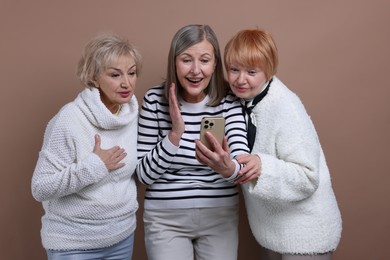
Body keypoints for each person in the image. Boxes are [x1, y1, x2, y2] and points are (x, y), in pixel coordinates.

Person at [222, 28, 343, 259]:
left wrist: (262, 166)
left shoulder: (285, 105)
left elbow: (308, 177)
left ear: (268, 71)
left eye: (251, 71)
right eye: (233, 69)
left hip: (306, 233)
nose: (240, 79)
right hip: (273, 232)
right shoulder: (241, 102)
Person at [135, 24, 249, 260]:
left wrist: (227, 167)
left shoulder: (229, 101)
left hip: (219, 217)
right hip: (165, 220)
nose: (196, 70)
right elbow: (142, 176)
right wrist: (174, 135)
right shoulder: (155, 100)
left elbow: (242, 166)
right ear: (174, 62)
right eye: (186, 60)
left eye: (205, 60)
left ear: (215, 64)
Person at [31, 33, 142, 260]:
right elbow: (40, 187)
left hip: (121, 236)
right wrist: (94, 166)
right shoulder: (70, 119)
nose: (126, 83)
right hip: (74, 244)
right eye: (115, 74)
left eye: (131, 73)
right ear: (93, 77)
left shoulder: (133, 116)